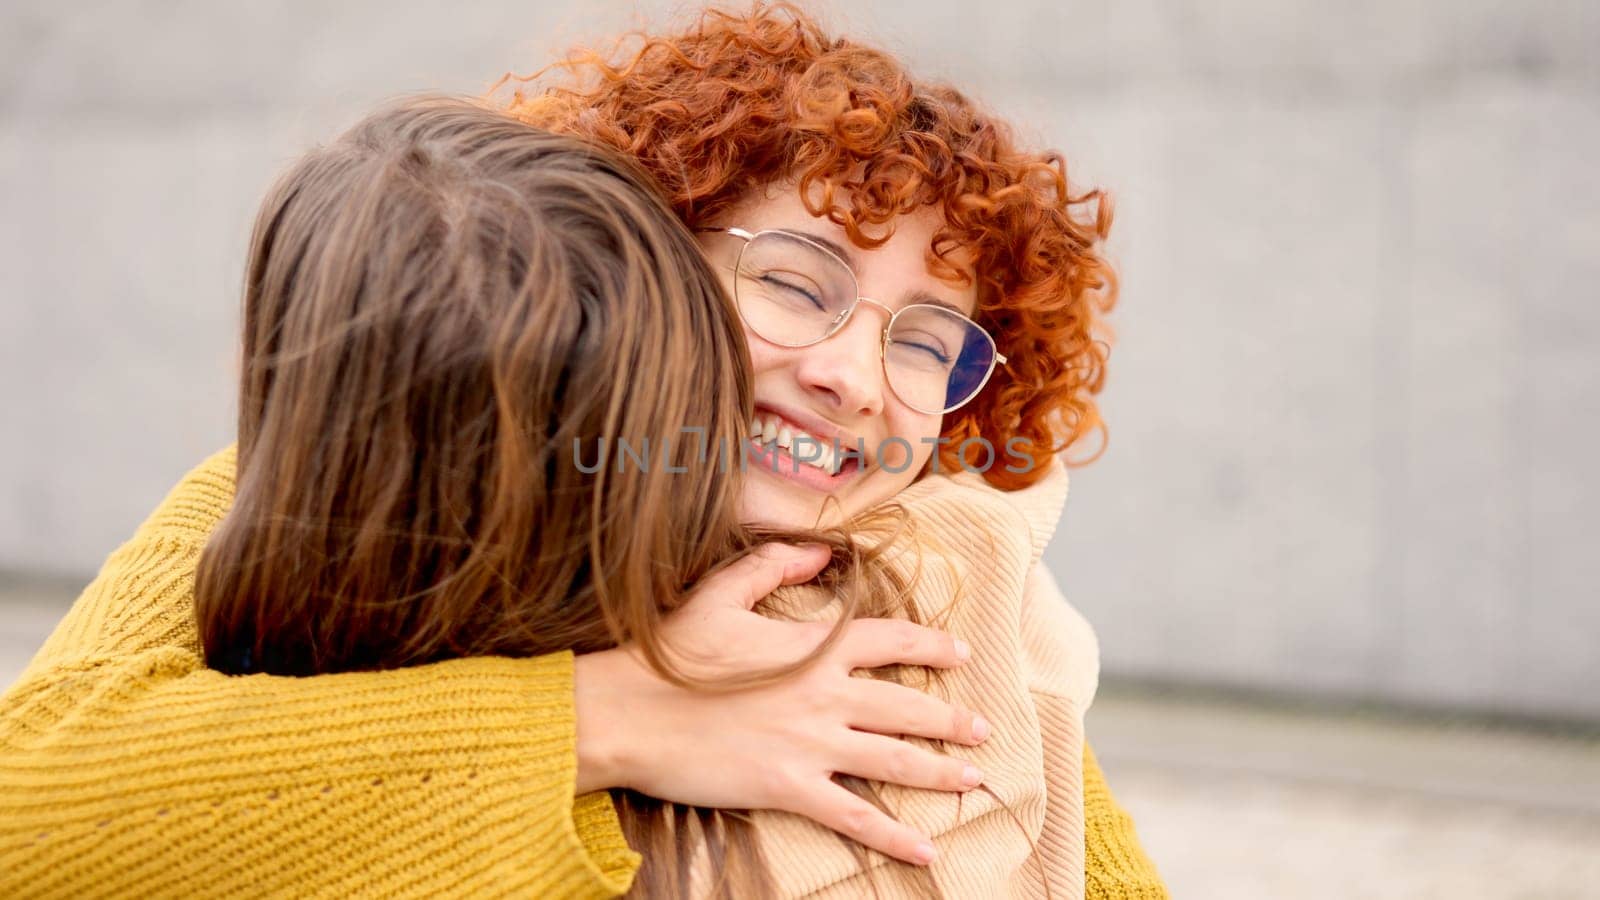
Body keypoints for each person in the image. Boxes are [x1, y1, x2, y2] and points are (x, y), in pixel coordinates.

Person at [2, 3, 1168, 897]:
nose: (854, 378)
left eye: (926, 343)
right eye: (795, 284)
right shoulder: (359, 488)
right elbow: (29, 815)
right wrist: (620, 716)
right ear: (649, 256)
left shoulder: (959, 586)